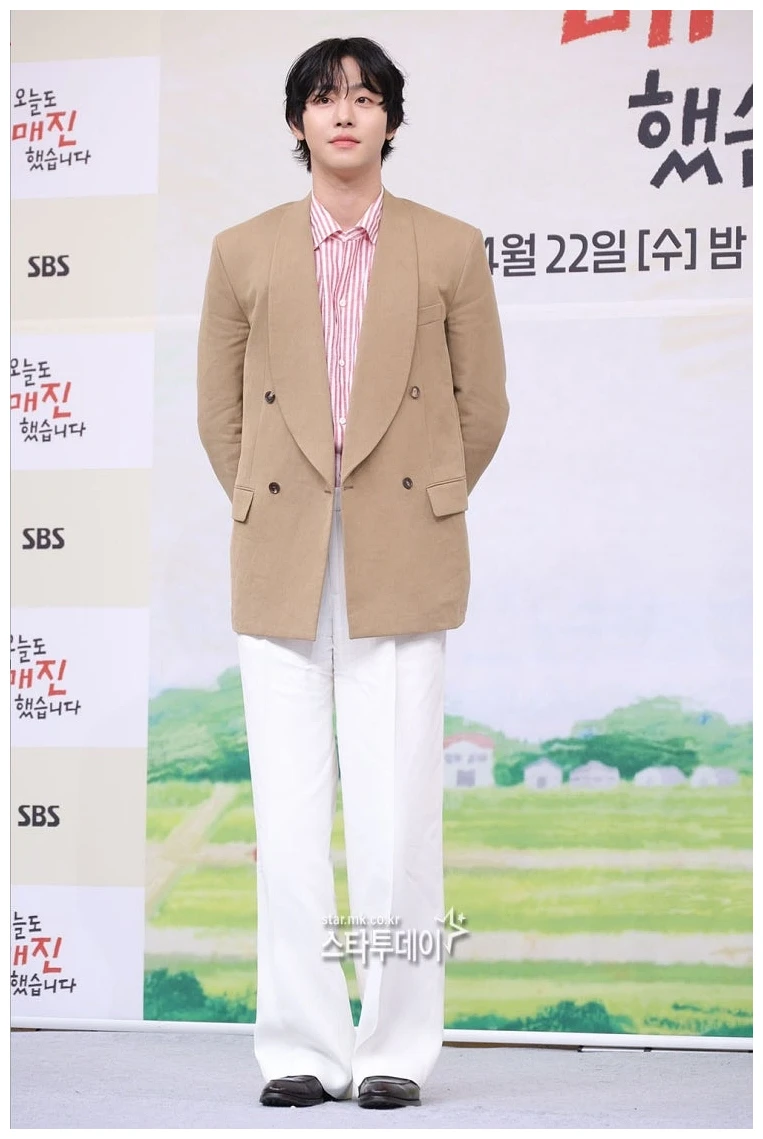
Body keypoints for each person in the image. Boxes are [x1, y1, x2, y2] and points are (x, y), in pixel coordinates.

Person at [197, 36, 509, 1111]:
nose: (344, 114)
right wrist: (267, 498)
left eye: (365, 98)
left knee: (397, 818)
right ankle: (297, 1042)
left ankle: (394, 1047)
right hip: (280, 551)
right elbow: (219, 410)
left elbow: (481, 404)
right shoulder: (242, 250)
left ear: (389, 120)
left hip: (401, 548)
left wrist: (424, 498)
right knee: (287, 819)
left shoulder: (449, 246)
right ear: (298, 122)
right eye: (325, 99)